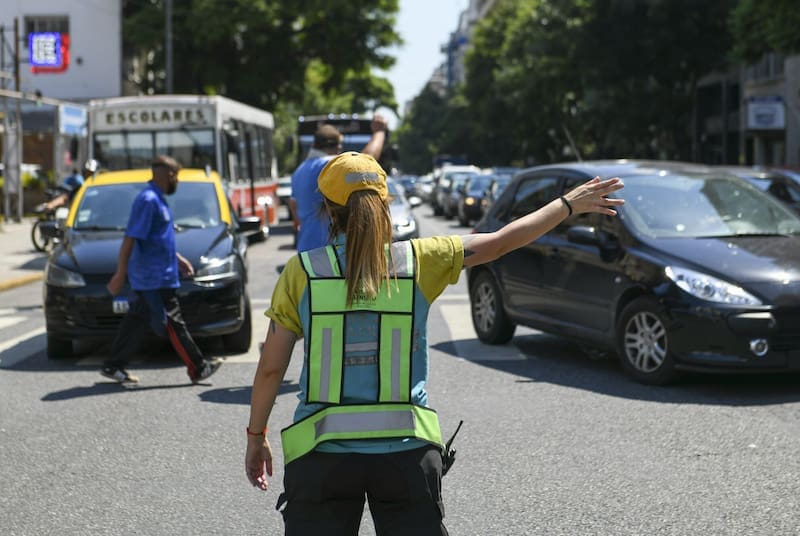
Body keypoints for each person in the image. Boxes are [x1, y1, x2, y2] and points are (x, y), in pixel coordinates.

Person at [245, 151, 625, 535]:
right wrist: (567, 204)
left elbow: (272, 369)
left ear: (327, 209)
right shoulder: (419, 261)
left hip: (321, 456)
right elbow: (500, 242)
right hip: (406, 455)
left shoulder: (302, 272)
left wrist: (256, 437)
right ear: (385, 204)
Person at [102, 155, 222, 384]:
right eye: (177, 176)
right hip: (153, 278)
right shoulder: (148, 200)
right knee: (173, 322)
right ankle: (198, 367)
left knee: (136, 321)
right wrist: (120, 273)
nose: (178, 181)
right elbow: (130, 238)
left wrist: (178, 259)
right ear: (170, 175)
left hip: (158, 274)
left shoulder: (157, 199)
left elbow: (156, 239)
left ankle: (113, 365)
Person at [289, 114, 388, 252]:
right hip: (328, 252)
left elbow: (293, 205)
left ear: (314, 144)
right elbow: (364, 164)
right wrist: (379, 132)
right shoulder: (328, 166)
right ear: (338, 147)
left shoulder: (299, 171)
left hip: (305, 249)